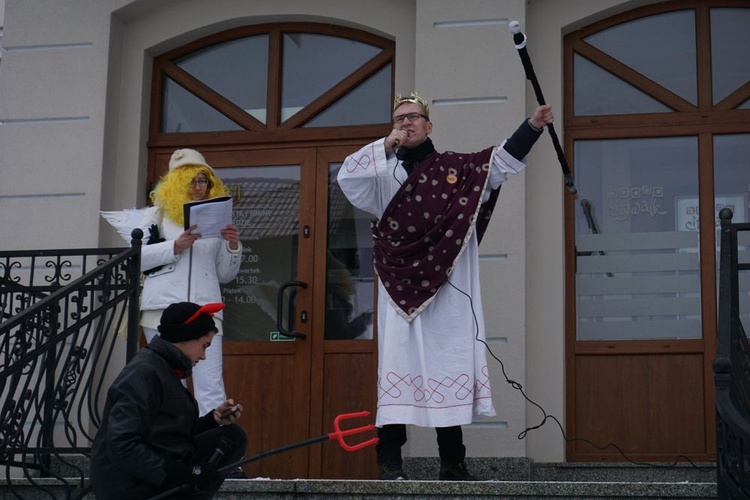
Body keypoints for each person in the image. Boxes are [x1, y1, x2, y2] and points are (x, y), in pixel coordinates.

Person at [337, 91, 553, 481]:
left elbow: (500, 162)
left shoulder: (457, 169)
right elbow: (347, 177)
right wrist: (385, 146)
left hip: (447, 287)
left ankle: (453, 464)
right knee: (397, 369)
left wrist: (533, 127)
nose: (406, 123)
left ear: (428, 124)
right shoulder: (380, 174)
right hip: (398, 290)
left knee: (445, 366)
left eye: (413, 117)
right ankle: (390, 464)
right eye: (399, 118)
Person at [91, 302, 249, 500]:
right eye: (204, 346)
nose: (204, 355)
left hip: (153, 477)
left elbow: (163, 434)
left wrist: (212, 420)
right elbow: (122, 442)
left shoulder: (164, 368)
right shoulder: (144, 372)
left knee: (232, 436)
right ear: (185, 338)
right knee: (232, 439)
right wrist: (182, 473)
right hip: (131, 488)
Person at [139, 148, 242, 416]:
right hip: (161, 311)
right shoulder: (156, 216)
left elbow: (225, 275)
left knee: (211, 388)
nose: (198, 187)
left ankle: (215, 456)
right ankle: (176, 454)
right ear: (177, 183)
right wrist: (174, 245)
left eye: (203, 180)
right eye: (192, 181)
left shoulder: (216, 219)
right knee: (170, 387)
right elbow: (134, 259)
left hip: (204, 311)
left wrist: (232, 246)